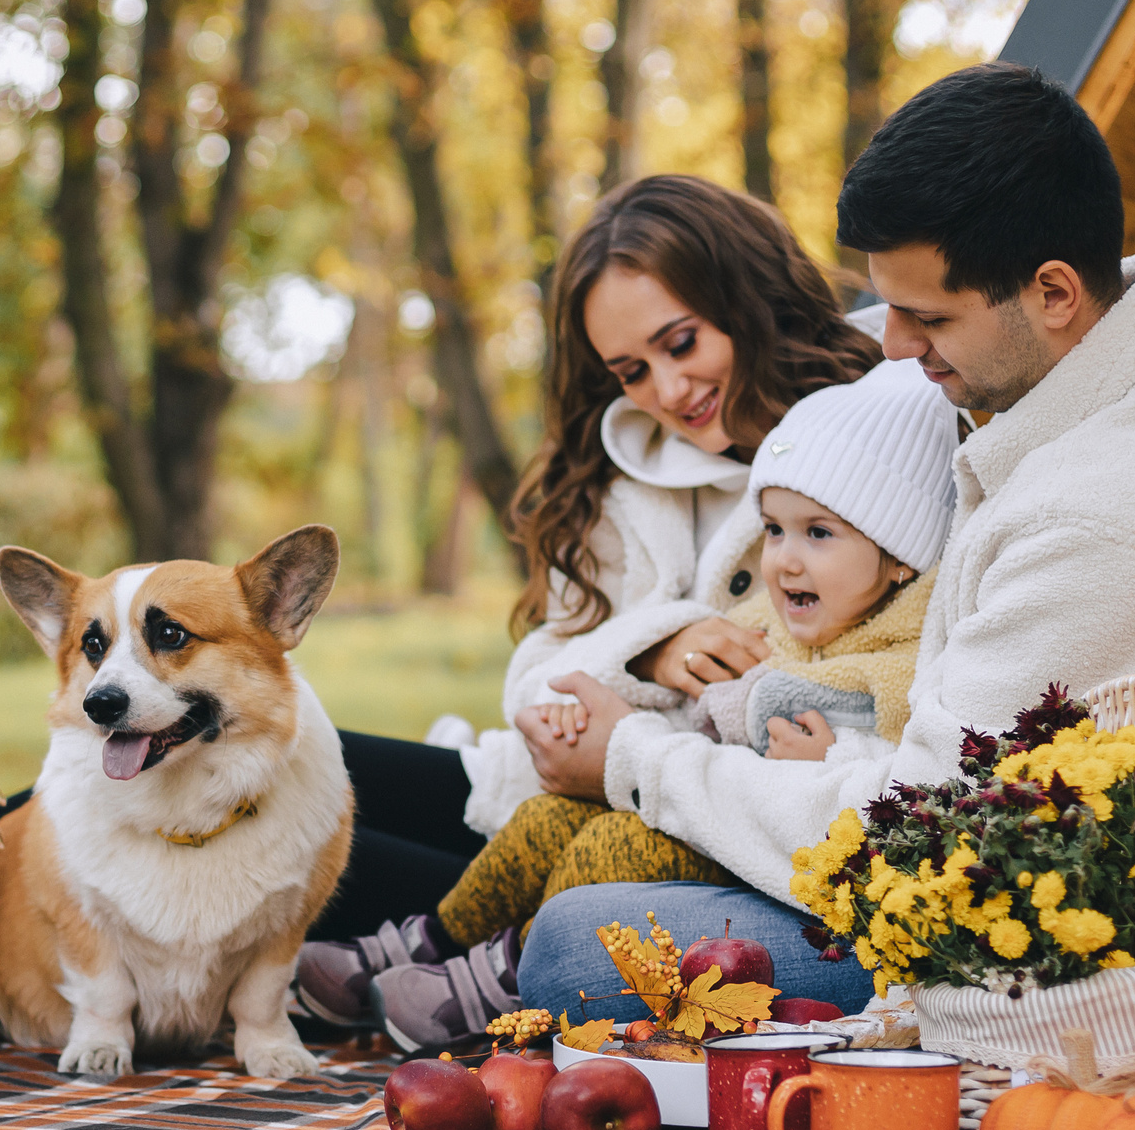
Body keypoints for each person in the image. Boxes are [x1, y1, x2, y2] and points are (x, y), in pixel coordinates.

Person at [513, 61, 1135, 1025]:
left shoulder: (1104, 517)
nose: (897, 346)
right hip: (1101, 892)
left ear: (1053, 291)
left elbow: (913, 843)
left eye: (929, 317)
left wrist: (638, 761)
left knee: (577, 945)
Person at [292, 174, 940, 1036]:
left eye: (682, 343)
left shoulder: (878, 444)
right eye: (632, 370)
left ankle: (451, 970)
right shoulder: (623, 472)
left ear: (744, 300)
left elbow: (900, 675)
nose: (669, 391)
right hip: (530, 785)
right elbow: (533, 681)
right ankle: (424, 951)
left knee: (267, 838)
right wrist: (652, 649)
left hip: (680, 816)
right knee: (252, 760)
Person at [360, 376, 956, 1049]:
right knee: (547, 817)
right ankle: (431, 938)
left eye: (818, 533)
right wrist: (602, 716)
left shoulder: (904, 659)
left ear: (900, 558)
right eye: (773, 529)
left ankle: (490, 983)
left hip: (774, 858)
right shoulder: (771, 624)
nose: (784, 558)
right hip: (705, 813)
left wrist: (834, 759)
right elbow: (687, 706)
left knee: (610, 844)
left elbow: (911, 777)